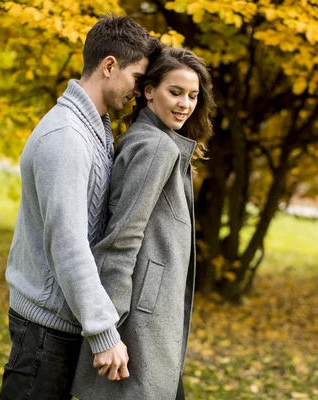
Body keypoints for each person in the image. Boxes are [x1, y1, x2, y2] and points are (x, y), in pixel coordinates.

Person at [0, 15, 161, 399]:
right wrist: (104, 331)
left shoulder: (94, 130)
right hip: (45, 330)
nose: (139, 91)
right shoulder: (67, 137)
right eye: (137, 78)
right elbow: (68, 243)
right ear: (109, 66)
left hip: (60, 324)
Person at [71, 46, 215, 400]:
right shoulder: (155, 149)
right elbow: (121, 240)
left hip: (149, 324)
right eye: (175, 92)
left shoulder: (153, 141)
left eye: (193, 96)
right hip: (139, 329)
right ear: (149, 91)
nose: (185, 104)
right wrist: (108, 329)